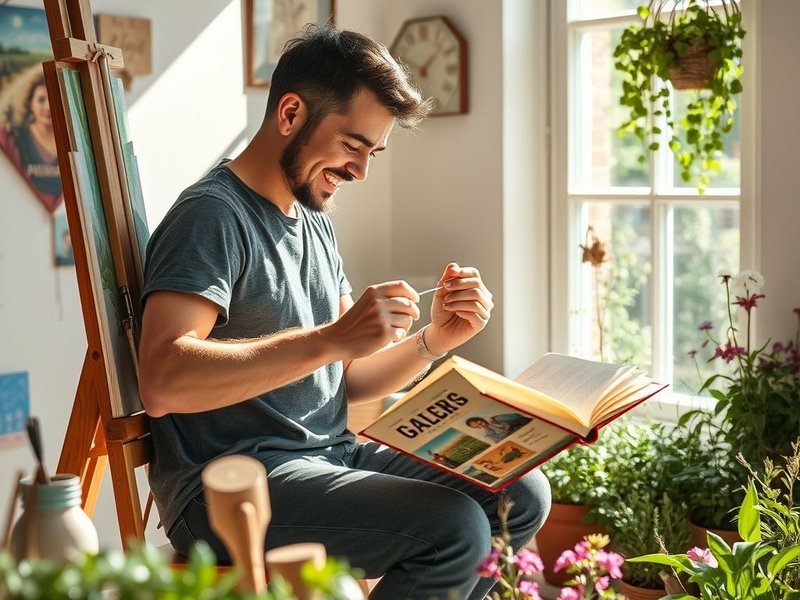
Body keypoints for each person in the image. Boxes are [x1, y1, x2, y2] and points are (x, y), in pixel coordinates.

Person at [138, 25, 550, 600]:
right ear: (289, 114)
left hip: (330, 457)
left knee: (520, 492)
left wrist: (436, 339)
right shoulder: (211, 216)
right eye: (353, 145)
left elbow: (347, 380)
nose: (360, 171)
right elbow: (161, 379)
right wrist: (330, 339)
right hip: (230, 487)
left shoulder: (313, 220)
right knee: (454, 528)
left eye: (372, 153)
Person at [0, 73, 63, 212]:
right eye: (41, 99)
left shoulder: (70, 142)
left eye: (53, 100)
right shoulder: (12, 138)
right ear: (30, 103)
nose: (47, 107)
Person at [466, 414, 533, 444]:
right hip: (520, 438)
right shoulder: (488, 434)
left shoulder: (497, 419)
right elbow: (499, 441)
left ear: (480, 419)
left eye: (476, 422)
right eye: (476, 426)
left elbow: (519, 418)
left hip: (527, 428)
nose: (478, 425)